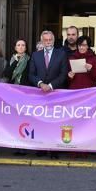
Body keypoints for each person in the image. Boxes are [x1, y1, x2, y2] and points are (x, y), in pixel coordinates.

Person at [28, 30, 68, 159]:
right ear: (42, 41)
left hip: (56, 93)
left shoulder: (61, 54)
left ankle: (54, 149)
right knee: (40, 121)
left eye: (50, 39)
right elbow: (31, 74)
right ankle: (41, 148)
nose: (48, 42)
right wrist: (40, 84)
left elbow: (63, 74)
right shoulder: (36, 55)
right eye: (45, 40)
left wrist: (50, 86)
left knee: (55, 122)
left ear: (53, 39)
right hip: (40, 94)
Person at [3, 38, 31, 156]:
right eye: (18, 45)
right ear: (15, 48)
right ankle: (15, 145)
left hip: (24, 94)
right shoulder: (11, 60)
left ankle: (23, 146)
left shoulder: (29, 60)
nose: (20, 47)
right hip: (13, 93)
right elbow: (7, 74)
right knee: (15, 120)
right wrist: (15, 62)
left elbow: (29, 76)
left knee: (24, 120)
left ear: (25, 48)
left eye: (23, 45)